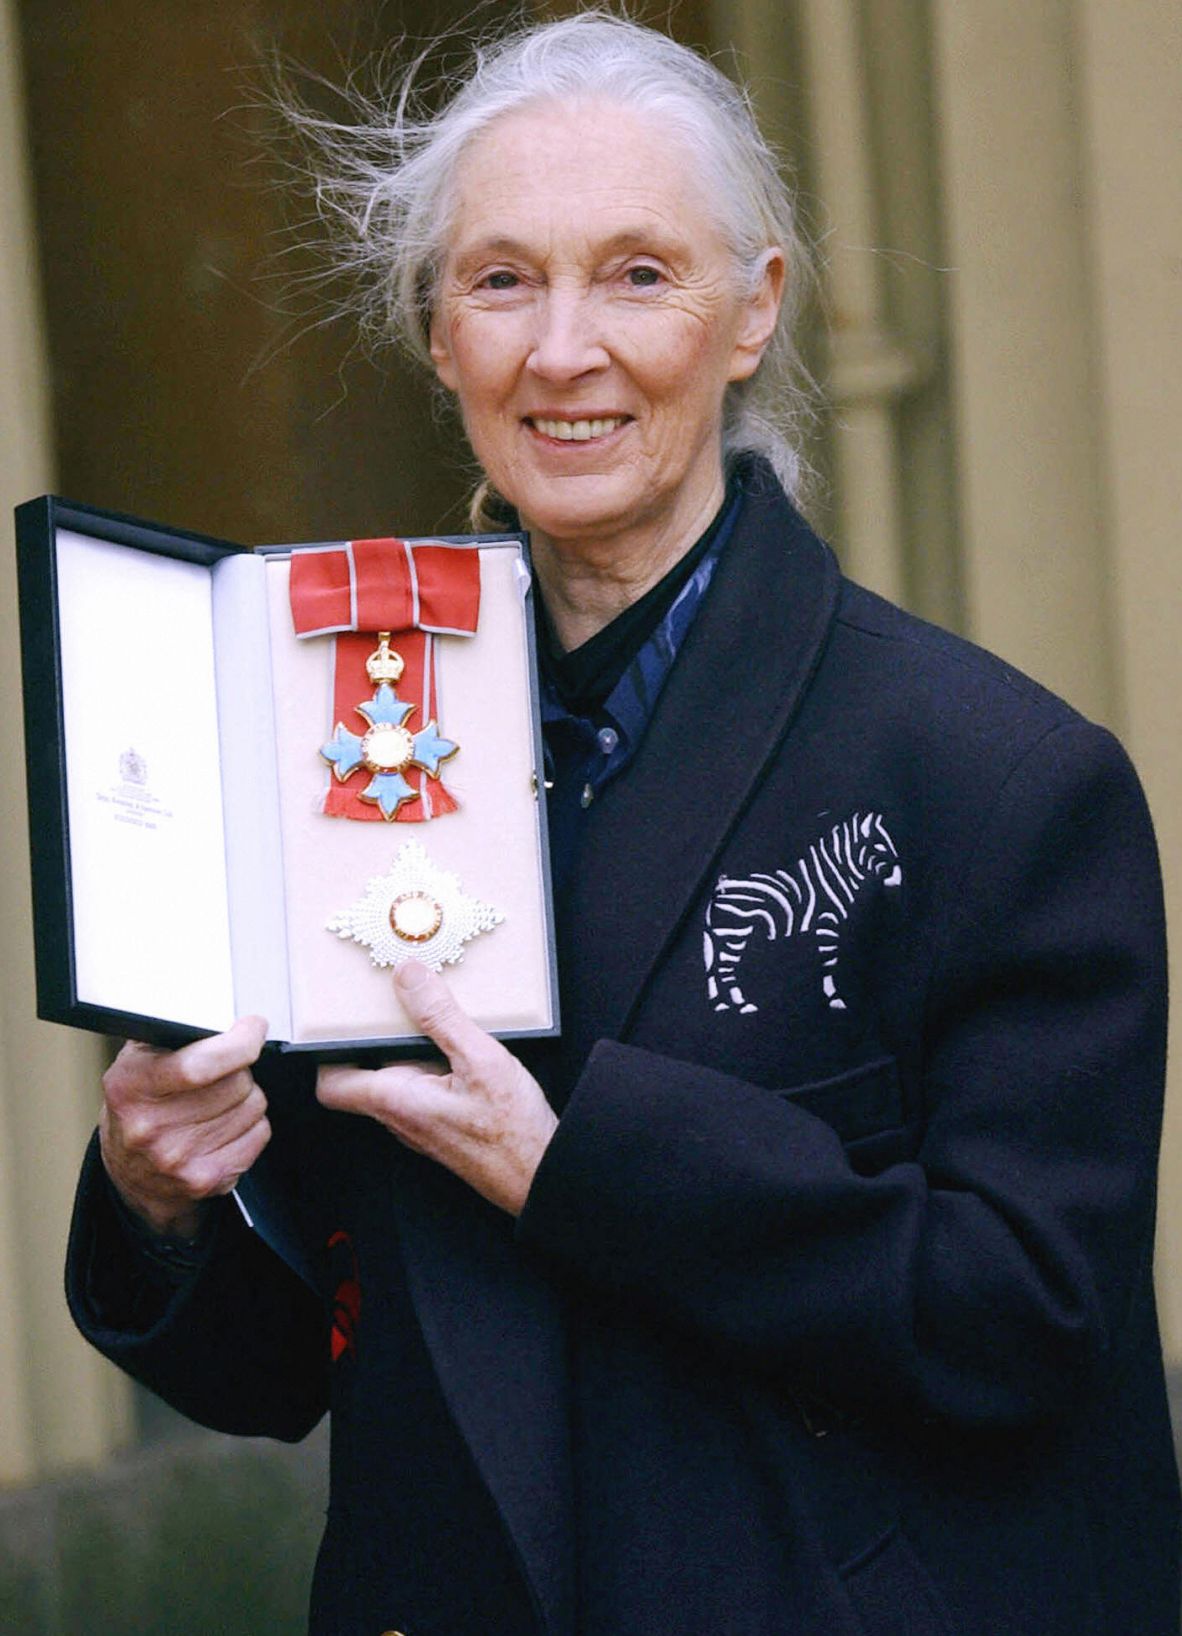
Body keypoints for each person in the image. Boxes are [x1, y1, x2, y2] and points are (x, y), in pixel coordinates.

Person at [66, 12, 1179, 1634]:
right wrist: (168, 1194)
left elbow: (1022, 1330)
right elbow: (278, 1377)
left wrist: (585, 1166)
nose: (561, 348)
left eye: (638, 274)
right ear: (436, 336)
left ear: (753, 311)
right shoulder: (342, 751)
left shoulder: (994, 779)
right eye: (501, 281)